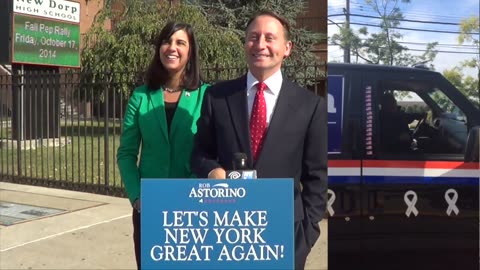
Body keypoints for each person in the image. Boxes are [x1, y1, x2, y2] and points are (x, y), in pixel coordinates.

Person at [190, 10, 327, 270]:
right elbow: (199, 153)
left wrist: (306, 235)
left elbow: (316, 177)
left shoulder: (310, 106)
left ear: (286, 48)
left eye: (269, 38)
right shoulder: (218, 97)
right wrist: (211, 171)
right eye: (253, 37)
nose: (260, 44)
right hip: (226, 231)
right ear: (245, 44)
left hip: (285, 234)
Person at [116, 21, 207, 270]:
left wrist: (193, 195)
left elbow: (211, 152)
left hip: (192, 207)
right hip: (149, 207)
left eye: (180, 42)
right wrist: (137, 197)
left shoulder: (206, 96)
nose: (172, 48)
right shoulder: (141, 96)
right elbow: (126, 153)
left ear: (190, 52)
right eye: (167, 41)